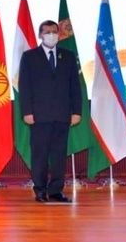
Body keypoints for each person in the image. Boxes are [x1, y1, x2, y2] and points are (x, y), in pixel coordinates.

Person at [19, 20, 82, 203]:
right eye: (47, 32)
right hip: (39, 115)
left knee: (59, 155)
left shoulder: (68, 56)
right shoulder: (29, 57)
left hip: (62, 114)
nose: (51, 35)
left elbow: (75, 86)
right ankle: (40, 190)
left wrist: (76, 111)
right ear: (40, 35)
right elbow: (25, 86)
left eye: (54, 31)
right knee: (39, 155)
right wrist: (27, 112)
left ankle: (55, 190)